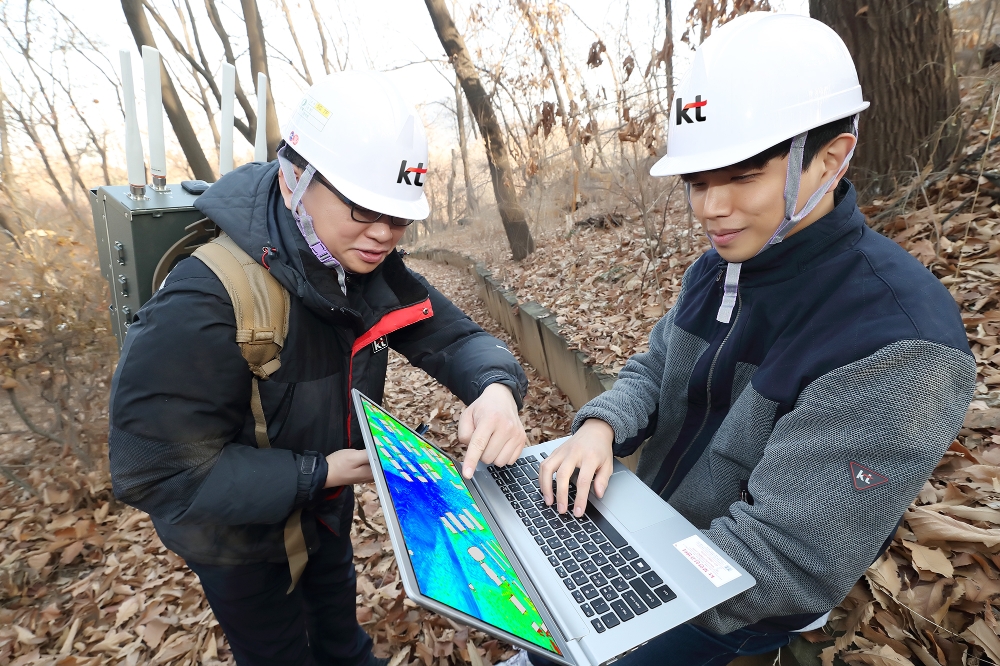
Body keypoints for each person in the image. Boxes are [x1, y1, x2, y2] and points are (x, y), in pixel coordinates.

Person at [532, 13, 975, 666]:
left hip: (736, 602)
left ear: (831, 158)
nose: (710, 208)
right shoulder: (724, 263)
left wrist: (616, 586)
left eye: (741, 176)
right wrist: (599, 428)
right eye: (699, 181)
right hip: (659, 533)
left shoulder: (900, 343)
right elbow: (657, 369)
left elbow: (785, 559)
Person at [108, 71, 529, 666]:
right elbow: (154, 472)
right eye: (362, 208)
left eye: (398, 216)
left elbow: (453, 336)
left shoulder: (358, 264)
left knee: (339, 637)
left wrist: (495, 389)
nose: (383, 234)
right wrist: (318, 471)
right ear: (292, 178)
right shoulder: (205, 299)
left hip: (325, 514)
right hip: (242, 544)